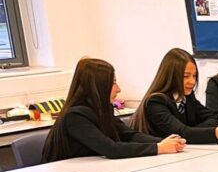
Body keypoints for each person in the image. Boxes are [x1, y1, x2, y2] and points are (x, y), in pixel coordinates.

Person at [42, 57, 185, 162]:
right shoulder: (75, 116)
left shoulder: (101, 110)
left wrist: (166, 142)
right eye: (113, 83)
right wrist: (159, 148)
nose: (118, 89)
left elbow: (129, 135)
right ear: (98, 86)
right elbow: (111, 149)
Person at [133, 47, 218, 146]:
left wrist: (191, 132)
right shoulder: (155, 102)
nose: (192, 82)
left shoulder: (187, 97)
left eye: (194, 76)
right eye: (186, 76)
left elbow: (214, 118)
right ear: (171, 76)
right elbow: (180, 133)